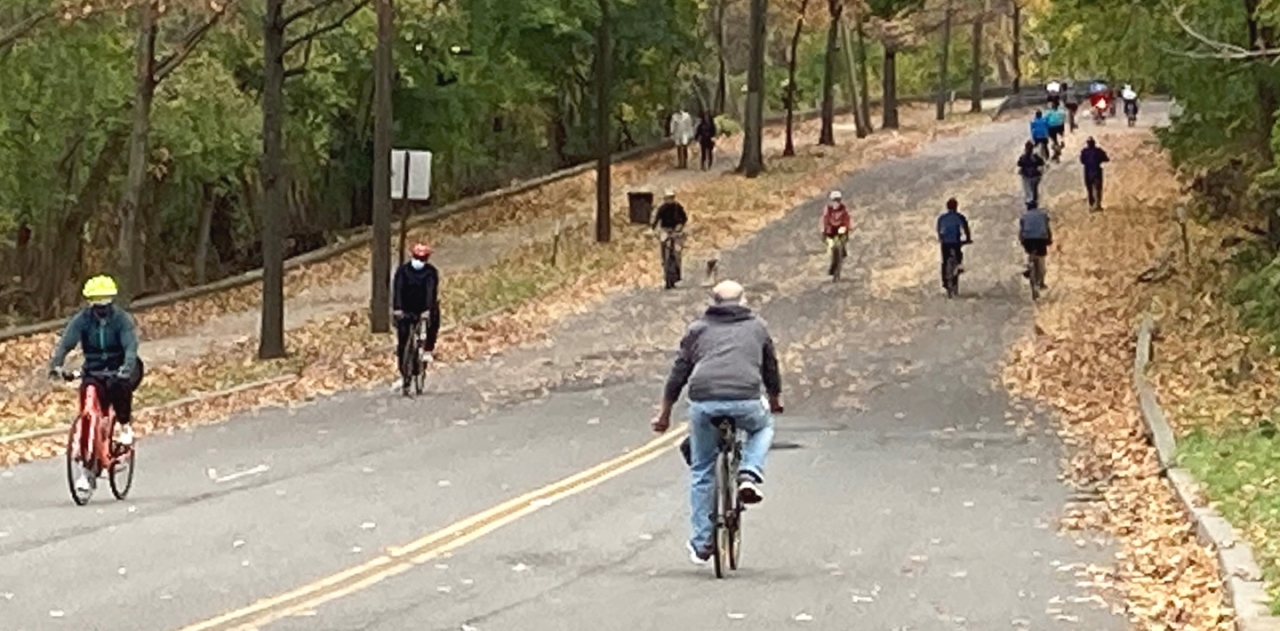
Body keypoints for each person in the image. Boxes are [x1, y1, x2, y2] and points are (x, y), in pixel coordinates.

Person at [652, 279, 783, 565]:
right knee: (763, 427)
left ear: (712, 302)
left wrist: (664, 413)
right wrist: (774, 398)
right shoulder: (757, 327)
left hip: (704, 399)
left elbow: (679, 373)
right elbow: (770, 366)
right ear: (743, 300)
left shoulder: (697, 330)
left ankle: (702, 544)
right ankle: (748, 472)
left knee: (702, 469)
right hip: (745, 398)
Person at [47, 275, 144, 491]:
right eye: (95, 301)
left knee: (118, 387)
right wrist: (56, 365)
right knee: (88, 404)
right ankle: (86, 471)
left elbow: (130, 347)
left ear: (111, 301)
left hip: (120, 368)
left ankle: (125, 426)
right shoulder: (82, 320)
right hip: (94, 370)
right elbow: (66, 343)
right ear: (89, 302)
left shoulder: (121, 320)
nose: (100, 306)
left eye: (104, 301)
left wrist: (126, 368)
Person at [392, 243, 441, 391]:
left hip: (423, 308)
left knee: (434, 321)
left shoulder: (431, 272)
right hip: (405, 309)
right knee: (402, 340)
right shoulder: (403, 271)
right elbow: (398, 289)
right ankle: (404, 371)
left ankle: (427, 349)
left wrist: (427, 310)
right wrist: (398, 308)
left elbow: (430, 291)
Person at [652, 189, 688, 286]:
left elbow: (684, 218)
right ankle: (666, 269)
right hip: (665, 230)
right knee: (664, 248)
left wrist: (680, 226)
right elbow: (656, 220)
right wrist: (654, 229)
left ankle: (677, 272)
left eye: (671, 198)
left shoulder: (678, 207)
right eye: (667, 198)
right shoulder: (662, 208)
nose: (669, 200)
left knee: (677, 252)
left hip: (676, 231)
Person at [935, 198, 972, 290]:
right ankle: (958, 266)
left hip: (945, 243)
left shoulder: (942, 218)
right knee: (958, 256)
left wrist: (941, 239)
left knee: (945, 261)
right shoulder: (960, 217)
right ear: (956, 206)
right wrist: (968, 239)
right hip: (955, 242)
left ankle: (945, 281)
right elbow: (966, 229)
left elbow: (939, 230)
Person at [1019, 204, 1053, 289]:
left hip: (1028, 240)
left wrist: (1022, 241)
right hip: (1041, 239)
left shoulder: (1024, 216)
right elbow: (1047, 228)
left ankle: (1029, 266)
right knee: (1041, 260)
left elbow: (1021, 231)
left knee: (1030, 253)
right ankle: (1041, 282)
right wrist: (1049, 239)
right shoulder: (1043, 215)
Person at [822, 190, 852, 276]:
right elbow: (825, 220)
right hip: (831, 231)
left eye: (838, 200)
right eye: (834, 200)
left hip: (841, 230)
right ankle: (833, 265)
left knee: (842, 243)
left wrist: (846, 227)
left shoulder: (843, 209)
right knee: (832, 249)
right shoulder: (828, 210)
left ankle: (843, 250)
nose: (836, 202)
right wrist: (825, 230)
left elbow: (847, 220)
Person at [1080, 137, 1111, 210]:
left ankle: (1091, 204)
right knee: (1098, 189)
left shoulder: (1084, 151)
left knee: (1089, 189)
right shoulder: (1099, 151)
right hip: (1097, 172)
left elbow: (1082, 161)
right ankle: (1098, 205)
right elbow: (1106, 159)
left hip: (1087, 172)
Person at [1017, 140, 1046, 208]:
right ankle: (1035, 201)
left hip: (1027, 176)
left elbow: (1019, 164)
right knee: (1034, 189)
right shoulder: (1035, 157)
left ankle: (1030, 203)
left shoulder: (1023, 157)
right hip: (1036, 176)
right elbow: (1042, 162)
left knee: (1028, 190)